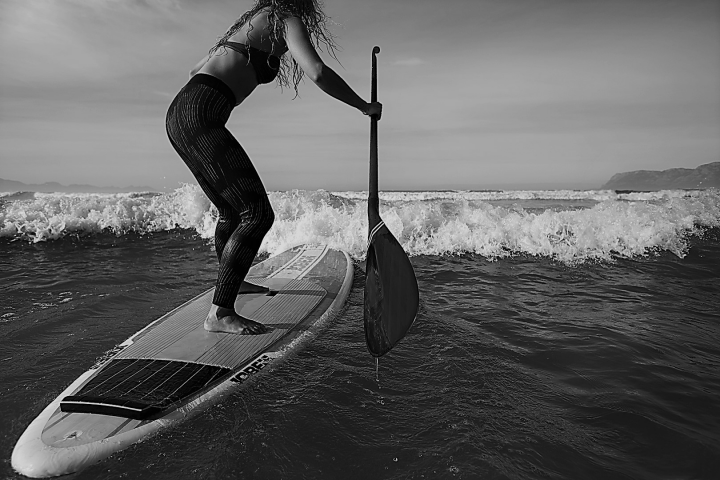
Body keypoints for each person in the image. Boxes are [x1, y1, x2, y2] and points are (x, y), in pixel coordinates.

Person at [166, 0, 381, 335]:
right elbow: (317, 72)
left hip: (183, 111)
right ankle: (220, 314)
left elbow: (196, 70)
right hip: (200, 114)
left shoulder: (254, 22)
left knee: (230, 210)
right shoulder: (285, 17)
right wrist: (363, 106)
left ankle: (234, 286)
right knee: (257, 214)